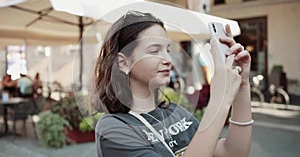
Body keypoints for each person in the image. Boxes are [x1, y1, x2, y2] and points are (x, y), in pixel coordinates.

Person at [93, 10, 252, 157]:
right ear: (124, 63)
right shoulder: (113, 129)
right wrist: (220, 99)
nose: (168, 60)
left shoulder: (174, 112)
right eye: (154, 51)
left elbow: (233, 153)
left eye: (167, 50)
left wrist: (242, 86)